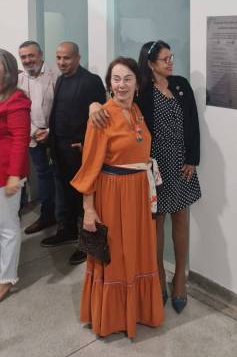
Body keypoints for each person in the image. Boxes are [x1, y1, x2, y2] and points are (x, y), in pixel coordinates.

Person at [90, 40, 201, 313]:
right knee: (156, 222)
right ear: (151, 64)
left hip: (181, 164)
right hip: (153, 167)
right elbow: (118, 104)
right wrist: (94, 105)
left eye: (171, 57)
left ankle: (180, 279)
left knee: (181, 218)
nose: (170, 63)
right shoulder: (142, 90)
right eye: (165, 59)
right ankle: (158, 276)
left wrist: (192, 159)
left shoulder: (181, 85)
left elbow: (193, 122)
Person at [71, 57, 164, 338]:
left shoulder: (136, 110)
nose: (121, 85)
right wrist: (88, 209)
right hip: (113, 196)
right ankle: (112, 318)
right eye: (116, 79)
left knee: (136, 252)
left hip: (138, 195)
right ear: (109, 84)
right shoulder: (101, 117)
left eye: (127, 79)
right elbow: (90, 166)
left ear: (137, 83)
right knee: (116, 256)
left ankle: (137, 312)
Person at [41, 42, 106, 266]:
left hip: (79, 151)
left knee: (83, 200)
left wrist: (86, 144)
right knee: (65, 194)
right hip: (59, 148)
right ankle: (67, 231)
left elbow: (99, 118)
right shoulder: (60, 79)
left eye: (66, 58)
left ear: (78, 57)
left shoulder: (91, 81)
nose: (61, 62)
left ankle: (86, 245)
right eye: (58, 58)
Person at [18, 41, 59, 234]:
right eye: (23, 57)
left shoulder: (56, 76)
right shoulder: (18, 80)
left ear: (41, 55)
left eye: (31, 55)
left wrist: (49, 131)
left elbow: (63, 108)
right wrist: (34, 131)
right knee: (43, 175)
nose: (27, 60)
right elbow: (19, 112)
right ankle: (47, 215)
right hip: (32, 136)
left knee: (61, 176)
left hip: (55, 136)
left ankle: (65, 217)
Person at [0, 49, 31, 301]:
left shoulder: (17, 100)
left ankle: (6, 278)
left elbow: (21, 139)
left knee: (7, 227)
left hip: (6, 172)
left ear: (8, 71)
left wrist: (14, 175)